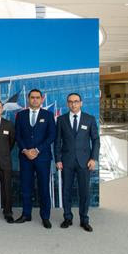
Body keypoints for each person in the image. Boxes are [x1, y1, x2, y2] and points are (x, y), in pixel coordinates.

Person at [55, 93, 99, 232]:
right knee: (66, 191)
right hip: (66, 162)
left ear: (81, 103)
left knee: (84, 192)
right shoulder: (61, 120)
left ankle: (84, 220)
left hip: (85, 162)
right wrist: (58, 159)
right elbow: (57, 142)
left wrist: (94, 158)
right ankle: (67, 218)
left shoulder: (89, 119)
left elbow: (96, 140)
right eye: (70, 102)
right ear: (67, 104)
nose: (73, 104)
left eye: (76, 101)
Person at [14, 89, 56, 229]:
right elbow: (18, 136)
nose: (35, 100)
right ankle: (26, 214)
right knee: (26, 187)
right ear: (28, 98)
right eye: (32, 97)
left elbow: (51, 136)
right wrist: (25, 150)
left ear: (42, 99)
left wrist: (37, 150)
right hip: (25, 157)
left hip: (42, 157)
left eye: (38, 98)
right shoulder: (20, 115)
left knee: (44, 188)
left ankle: (45, 217)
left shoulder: (48, 115)